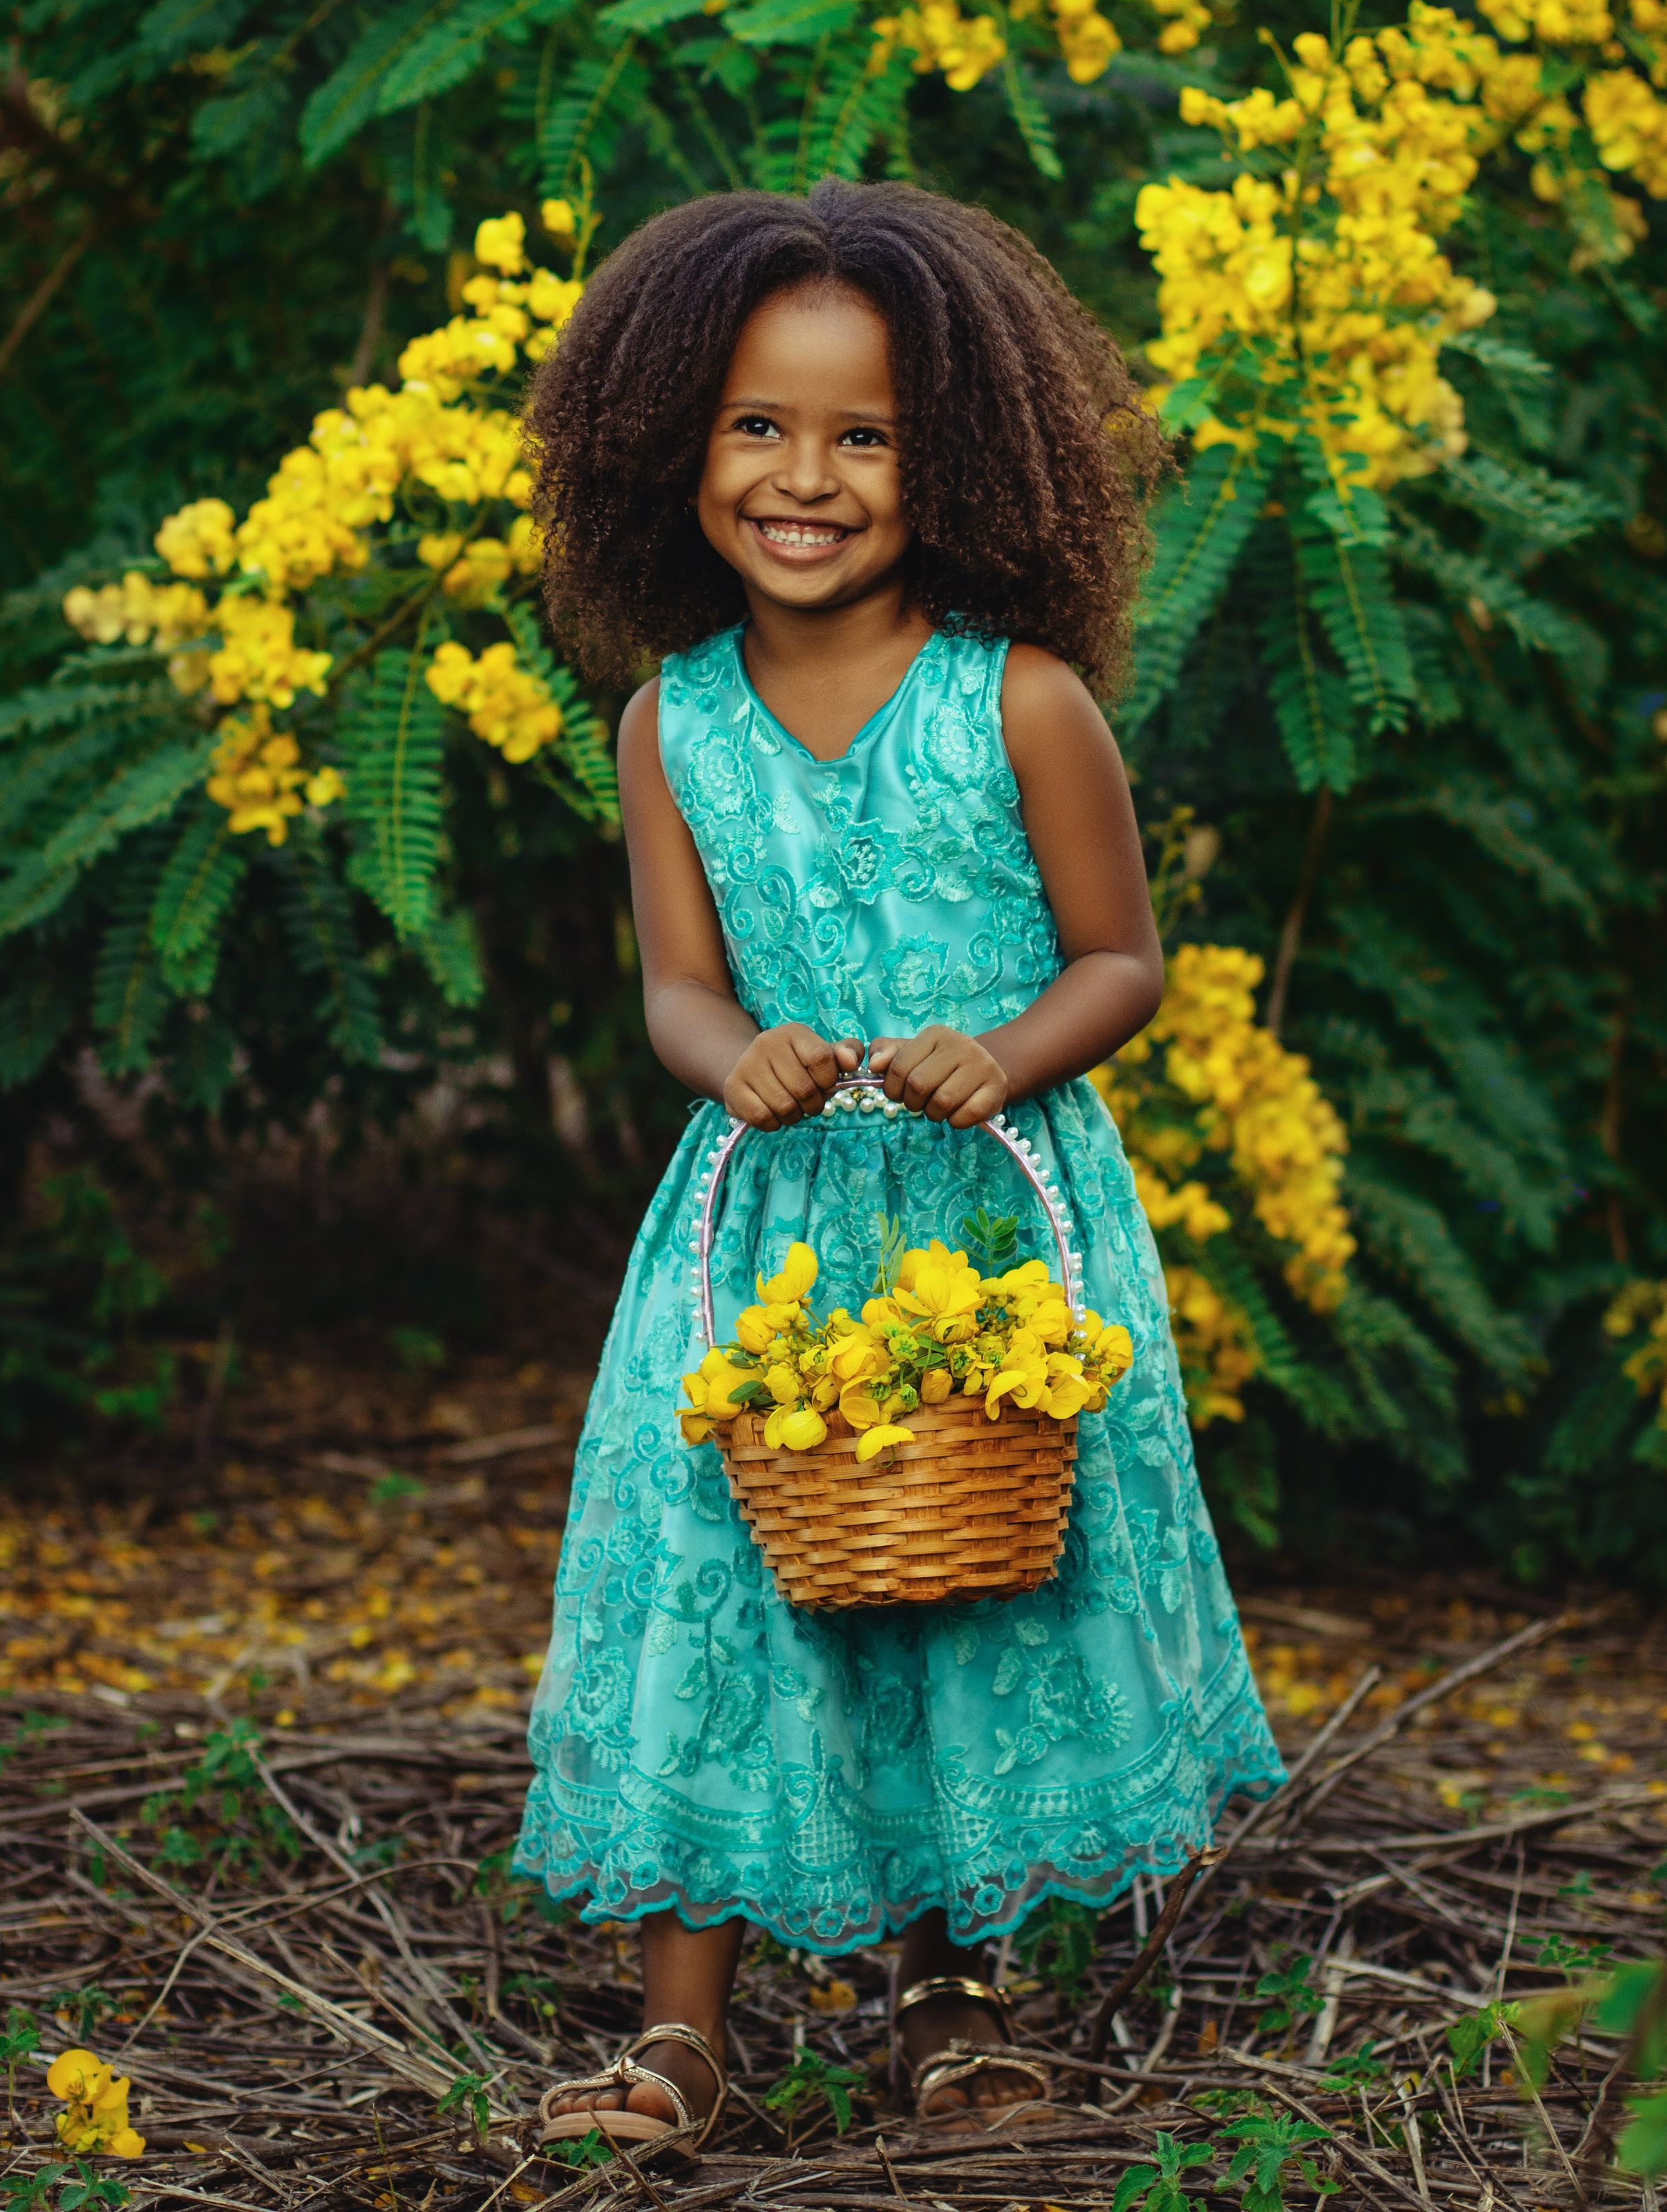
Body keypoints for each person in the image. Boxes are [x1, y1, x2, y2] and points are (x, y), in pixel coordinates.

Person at [514, 180, 1285, 2157]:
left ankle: (949, 2002)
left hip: (984, 1239)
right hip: (759, 1244)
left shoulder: (1020, 700)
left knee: (957, 1593)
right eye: (758, 426)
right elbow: (679, 990)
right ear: (671, 439)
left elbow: (1124, 960)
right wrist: (733, 1056)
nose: (806, 477)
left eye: (864, 436)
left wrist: (1008, 1049)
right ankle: (680, 2031)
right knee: (728, 1589)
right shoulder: (667, 721)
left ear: (952, 461)